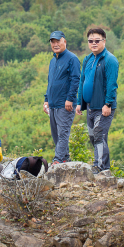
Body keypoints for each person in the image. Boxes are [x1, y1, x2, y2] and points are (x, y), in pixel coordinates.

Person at [75, 27, 119, 174]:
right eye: (90, 41)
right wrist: (79, 103)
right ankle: (102, 166)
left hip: (103, 107)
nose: (93, 43)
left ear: (104, 41)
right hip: (90, 106)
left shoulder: (110, 60)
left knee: (99, 134)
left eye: (97, 41)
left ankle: (99, 167)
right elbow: (82, 81)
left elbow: (112, 84)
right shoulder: (88, 59)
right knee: (94, 137)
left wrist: (108, 104)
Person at [42, 30, 80, 164]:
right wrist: (46, 99)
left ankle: (57, 160)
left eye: (58, 41)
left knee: (63, 133)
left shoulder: (72, 58)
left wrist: (70, 98)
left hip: (65, 104)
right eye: (53, 42)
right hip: (53, 104)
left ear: (65, 41)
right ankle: (65, 159)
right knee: (56, 135)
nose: (55, 44)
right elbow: (50, 81)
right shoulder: (53, 60)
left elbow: (75, 80)